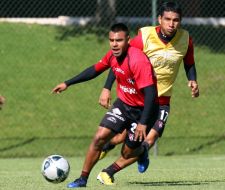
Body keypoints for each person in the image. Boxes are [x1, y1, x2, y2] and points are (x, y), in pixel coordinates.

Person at [96, 1, 200, 185]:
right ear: (160, 19)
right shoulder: (145, 36)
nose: (171, 23)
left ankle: (108, 172)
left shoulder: (186, 39)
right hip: (139, 99)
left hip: (163, 100)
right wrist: (107, 87)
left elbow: (189, 62)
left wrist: (192, 79)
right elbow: (119, 59)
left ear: (180, 21)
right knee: (127, 136)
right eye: (167, 19)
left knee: (149, 139)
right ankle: (110, 145)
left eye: (176, 20)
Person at [52, 23, 159, 188]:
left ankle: (142, 151)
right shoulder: (112, 56)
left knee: (128, 152)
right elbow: (94, 70)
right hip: (123, 105)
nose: (114, 44)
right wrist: (68, 83)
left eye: (119, 40)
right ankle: (82, 179)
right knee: (99, 137)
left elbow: (151, 95)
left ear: (128, 40)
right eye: (111, 40)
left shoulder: (138, 61)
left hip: (144, 110)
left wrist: (143, 123)